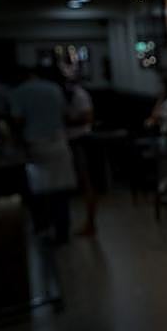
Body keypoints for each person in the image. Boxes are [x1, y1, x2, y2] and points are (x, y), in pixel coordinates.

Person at [9, 64, 76, 244]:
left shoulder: (19, 92)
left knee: (40, 191)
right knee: (60, 192)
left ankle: (44, 228)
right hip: (59, 142)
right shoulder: (53, 89)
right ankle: (63, 232)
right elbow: (65, 115)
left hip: (36, 145)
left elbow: (17, 120)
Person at [62, 75, 97, 236]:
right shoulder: (68, 95)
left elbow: (88, 118)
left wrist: (66, 121)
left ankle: (90, 223)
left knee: (86, 182)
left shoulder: (79, 95)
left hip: (81, 140)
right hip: (72, 140)